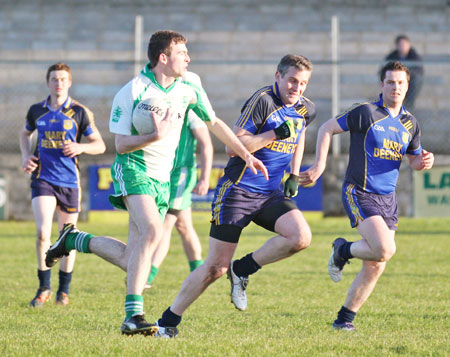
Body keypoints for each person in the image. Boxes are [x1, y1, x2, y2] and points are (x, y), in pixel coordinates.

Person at [44, 30, 267, 336]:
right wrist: (153, 136)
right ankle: (133, 316)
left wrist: (245, 153)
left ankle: (73, 239)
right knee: (152, 231)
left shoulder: (191, 84)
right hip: (133, 168)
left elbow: (213, 122)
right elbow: (120, 145)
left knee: (133, 258)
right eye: (182, 53)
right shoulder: (132, 91)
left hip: (164, 178)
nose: (188, 58)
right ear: (164, 58)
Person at [153, 54, 316, 338]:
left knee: (300, 237)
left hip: (270, 193)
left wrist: (293, 172)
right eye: (292, 80)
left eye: (302, 83)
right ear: (277, 76)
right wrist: (273, 134)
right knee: (215, 267)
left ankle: (242, 269)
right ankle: (168, 322)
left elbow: (299, 132)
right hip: (237, 191)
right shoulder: (262, 101)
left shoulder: (306, 108)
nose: (296, 88)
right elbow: (233, 146)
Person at [300, 61, 434, 331]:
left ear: (407, 87)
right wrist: (319, 166)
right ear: (381, 85)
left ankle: (344, 320)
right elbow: (327, 128)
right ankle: (343, 250)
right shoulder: (366, 112)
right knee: (385, 249)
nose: (395, 87)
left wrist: (424, 162)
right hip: (359, 192)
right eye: (390, 82)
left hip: (388, 199)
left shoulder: (410, 123)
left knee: (376, 264)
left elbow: (414, 161)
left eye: (401, 83)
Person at [19, 62, 106, 307]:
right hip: (43, 178)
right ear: (48, 82)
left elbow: (100, 145)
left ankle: (63, 290)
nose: (59, 83)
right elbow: (24, 134)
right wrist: (26, 156)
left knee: (67, 237)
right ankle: (43, 287)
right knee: (43, 232)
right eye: (54, 79)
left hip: (69, 181)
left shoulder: (80, 112)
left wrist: (81, 147)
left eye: (63, 79)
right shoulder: (37, 110)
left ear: (69, 82)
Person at [146, 107, 213, 288]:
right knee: (184, 226)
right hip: (161, 171)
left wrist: (205, 178)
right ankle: (200, 273)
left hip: (180, 175)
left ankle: (148, 275)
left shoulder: (190, 112)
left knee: (166, 223)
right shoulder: (158, 105)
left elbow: (206, 144)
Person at [384, 35, 424, 112]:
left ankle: (409, 107)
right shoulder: (392, 56)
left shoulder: (414, 56)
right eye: (401, 45)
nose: (403, 47)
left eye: (405, 44)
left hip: (410, 81)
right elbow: (384, 68)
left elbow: (418, 70)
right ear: (397, 46)